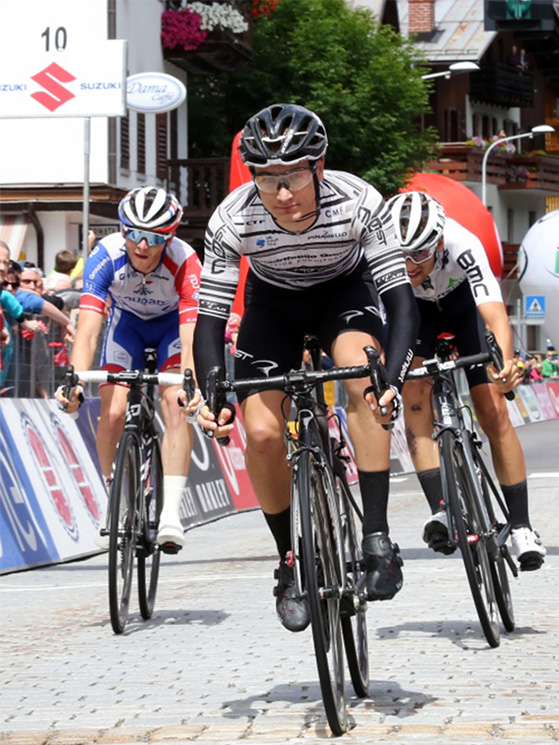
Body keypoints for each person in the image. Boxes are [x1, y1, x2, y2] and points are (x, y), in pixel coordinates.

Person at [192, 103, 419, 632]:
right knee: (263, 430)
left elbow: (402, 301)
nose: (283, 195)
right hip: (273, 307)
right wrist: (213, 394)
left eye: (293, 177)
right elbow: (210, 320)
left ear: (319, 165)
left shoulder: (361, 201)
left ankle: (377, 538)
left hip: (343, 294)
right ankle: (288, 563)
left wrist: (395, 376)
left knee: (363, 378)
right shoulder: (232, 218)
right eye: (268, 181)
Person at [387, 191, 546, 571]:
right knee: (413, 394)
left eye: (420, 254)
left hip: (463, 309)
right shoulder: (386, 259)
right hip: (417, 315)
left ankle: (521, 526)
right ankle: (441, 508)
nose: (410, 264)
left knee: (492, 408)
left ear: (439, 241)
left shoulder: (463, 243)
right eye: (402, 256)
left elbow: (494, 314)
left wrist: (505, 364)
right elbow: (386, 323)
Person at [56, 186, 202, 553]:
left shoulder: (186, 262)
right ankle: (115, 498)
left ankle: (170, 513)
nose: (141, 244)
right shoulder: (103, 257)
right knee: (114, 410)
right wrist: (73, 381)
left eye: (153, 237)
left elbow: (190, 336)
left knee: (174, 404)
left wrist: (190, 384)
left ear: (168, 238)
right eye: (132, 233)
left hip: (171, 329)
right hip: (128, 329)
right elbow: (88, 330)